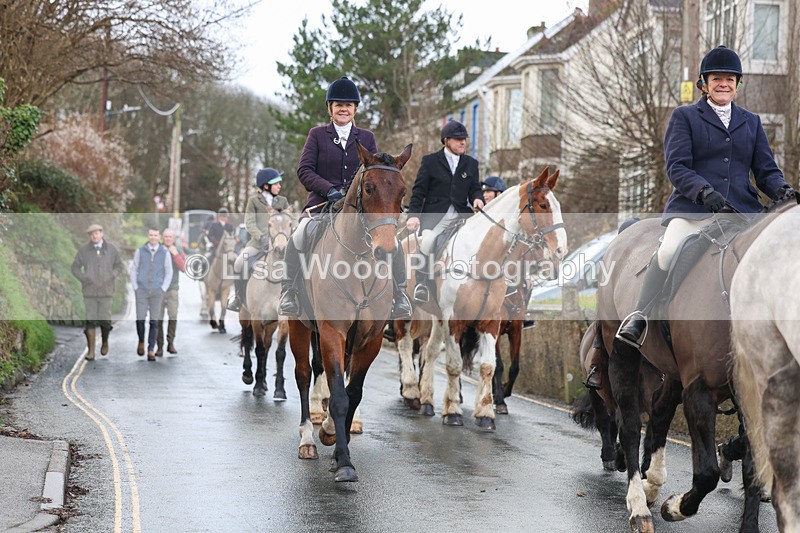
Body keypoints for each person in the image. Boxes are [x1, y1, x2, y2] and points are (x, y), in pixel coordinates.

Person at [616, 45, 796, 347]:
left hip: (742, 213)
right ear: (704, 84)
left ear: (738, 85)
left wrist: (782, 189)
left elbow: (766, 170)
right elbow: (677, 166)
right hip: (694, 210)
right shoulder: (685, 117)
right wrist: (703, 191)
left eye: (729, 79)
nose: (723, 84)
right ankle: (640, 315)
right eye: (717, 79)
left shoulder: (751, 122)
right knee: (668, 250)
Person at [279, 76, 412, 320]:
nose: (343, 108)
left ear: (355, 109)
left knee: (392, 241)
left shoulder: (367, 137)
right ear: (330, 108)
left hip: (358, 208)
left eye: (348, 105)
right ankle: (288, 291)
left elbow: (374, 172)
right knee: (300, 234)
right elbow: (304, 170)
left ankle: (400, 294)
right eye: (338, 104)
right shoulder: (317, 135)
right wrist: (328, 189)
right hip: (322, 205)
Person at [405, 119, 484, 302]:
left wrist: (478, 198)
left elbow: (474, 189)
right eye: (458, 139)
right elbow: (419, 191)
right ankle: (421, 283)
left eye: (464, 139)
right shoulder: (430, 161)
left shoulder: (471, 164)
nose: (463, 142)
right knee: (428, 241)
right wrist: (414, 216)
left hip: (463, 217)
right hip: (436, 218)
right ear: (446, 140)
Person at [227, 167, 290, 312]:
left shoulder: (283, 201)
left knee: (298, 263)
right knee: (239, 263)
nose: (279, 186)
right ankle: (238, 298)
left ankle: (293, 297)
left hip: (280, 244)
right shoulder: (254, 201)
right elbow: (249, 223)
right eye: (276, 183)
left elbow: (289, 220)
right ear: (266, 186)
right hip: (257, 244)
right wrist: (261, 237)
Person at [71, 223, 124, 361]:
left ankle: (105, 341)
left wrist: (112, 275)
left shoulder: (111, 249)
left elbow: (119, 266)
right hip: (89, 291)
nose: (94, 236)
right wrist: (83, 278)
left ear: (102, 233)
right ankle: (91, 351)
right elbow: (75, 267)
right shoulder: (84, 251)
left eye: (97, 233)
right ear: (90, 236)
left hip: (106, 291)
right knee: (90, 320)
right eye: (92, 234)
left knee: (105, 321)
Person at [130, 227, 173, 361]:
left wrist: (163, 288)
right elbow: (134, 269)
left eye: (155, 235)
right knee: (140, 319)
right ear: (148, 236)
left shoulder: (164, 252)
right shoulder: (140, 251)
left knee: (154, 321)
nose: (153, 237)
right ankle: (141, 341)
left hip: (157, 291)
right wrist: (135, 287)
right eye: (151, 235)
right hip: (141, 290)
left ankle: (150, 349)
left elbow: (169, 272)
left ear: (159, 237)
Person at [155, 228, 186, 356]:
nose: (168, 239)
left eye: (170, 237)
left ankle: (170, 343)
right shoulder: (157, 249)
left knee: (173, 317)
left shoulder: (178, 250)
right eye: (166, 236)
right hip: (158, 289)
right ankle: (159, 346)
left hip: (173, 289)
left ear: (174, 239)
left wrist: (175, 255)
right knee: (158, 318)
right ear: (162, 238)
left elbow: (183, 268)